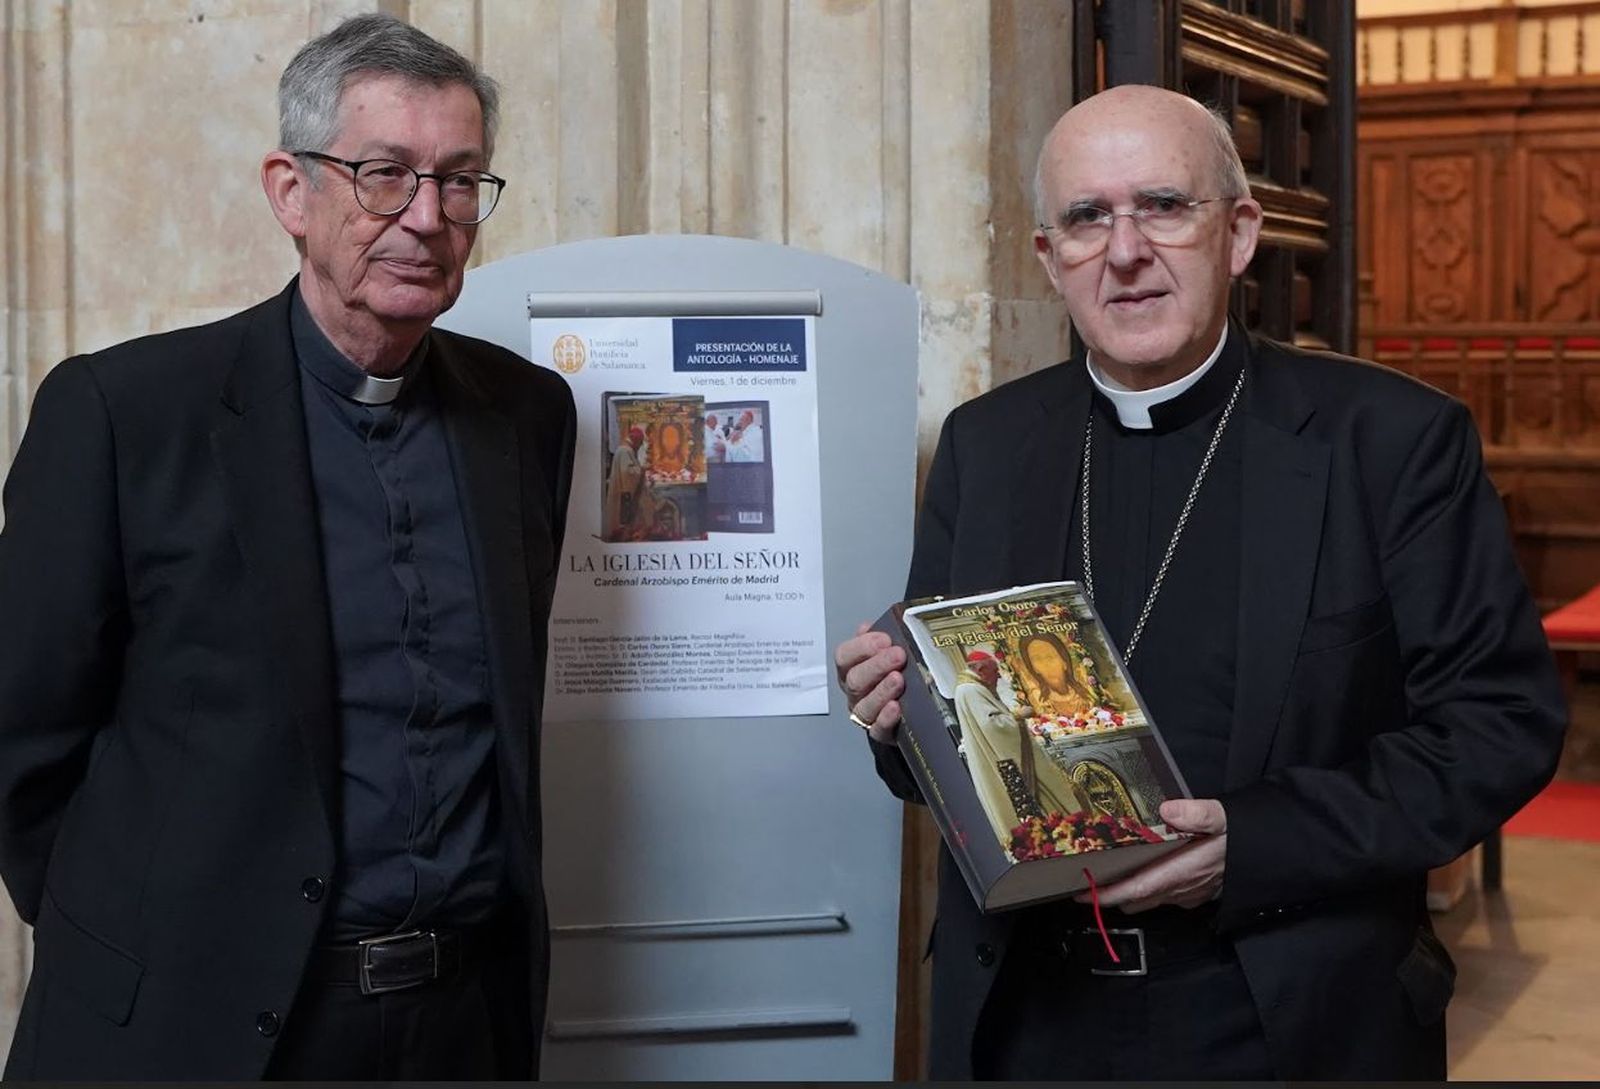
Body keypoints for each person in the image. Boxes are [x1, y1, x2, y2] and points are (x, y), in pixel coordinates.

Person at [833, 85, 1565, 1080]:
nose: (1124, 249)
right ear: (1050, 259)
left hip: (1279, 1016)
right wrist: (896, 721)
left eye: (1163, 206)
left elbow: (1497, 726)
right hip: (1028, 1018)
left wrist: (1255, 845)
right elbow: (957, 754)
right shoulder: (988, 446)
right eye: (1087, 218)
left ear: (1239, 233)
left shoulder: (1387, 444)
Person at [0, 14, 575, 1080]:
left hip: (459, 1025)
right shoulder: (127, 414)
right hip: (192, 1026)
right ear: (290, 191)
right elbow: (23, 739)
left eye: (459, 180)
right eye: (383, 175)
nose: (425, 217)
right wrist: (132, 944)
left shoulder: (529, 416)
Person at [953, 651, 1091, 845]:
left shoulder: (970, 688)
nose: (999, 676)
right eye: (995, 671)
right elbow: (992, 726)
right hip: (1005, 761)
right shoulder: (970, 690)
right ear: (982, 670)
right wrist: (1018, 716)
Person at [1015, 631, 1098, 718]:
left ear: (1064, 661)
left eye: (1049, 656)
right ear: (1034, 668)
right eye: (1037, 659)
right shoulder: (1040, 702)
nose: (1046, 664)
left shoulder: (1086, 691)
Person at [604, 425, 647, 540]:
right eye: (640, 442)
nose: (640, 446)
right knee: (623, 519)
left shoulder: (625, 449)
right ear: (636, 440)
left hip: (624, 491)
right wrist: (641, 471)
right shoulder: (625, 451)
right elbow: (627, 472)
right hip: (624, 493)